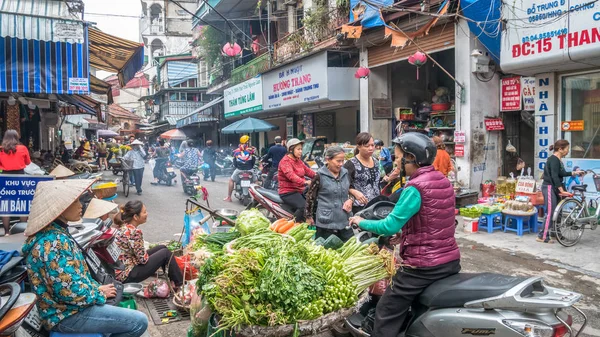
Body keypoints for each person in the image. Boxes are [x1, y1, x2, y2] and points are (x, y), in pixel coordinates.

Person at [348, 133, 461, 336]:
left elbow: (390, 225)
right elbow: (436, 221)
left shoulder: (415, 187)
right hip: (449, 260)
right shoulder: (442, 181)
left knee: (386, 309)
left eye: (400, 158)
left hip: (423, 267)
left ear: (413, 158)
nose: (397, 163)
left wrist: (361, 221)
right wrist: (406, 234)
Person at [21, 179, 148, 336]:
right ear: (61, 208)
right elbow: (67, 291)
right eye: (76, 202)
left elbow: (71, 279)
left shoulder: (56, 234)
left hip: (68, 308)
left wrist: (95, 288)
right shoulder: (53, 243)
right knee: (139, 322)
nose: (81, 206)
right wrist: (99, 293)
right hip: (65, 316)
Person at [113, 201, 183, 289]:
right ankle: (180, 284)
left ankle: (173, 280)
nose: (147, 214)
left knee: (162, 248)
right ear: (135, 217)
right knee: (165, 253)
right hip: (127, 274)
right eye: (144, 212)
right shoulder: (134, 232)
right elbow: (143, 259)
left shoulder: (124, 226)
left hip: (125, 266)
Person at [539, 140, 584, 243]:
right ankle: (542, 236)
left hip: (555, 188)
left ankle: (556, 234)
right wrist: (561, 190)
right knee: (550, 212)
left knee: (558, 213)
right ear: (560, 149)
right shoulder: (553, 159)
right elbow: (554, 176)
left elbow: (562, 173)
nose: (568, 151)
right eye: (567, 149)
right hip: (549, 187)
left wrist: (574, 173)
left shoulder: (558, 160)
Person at [305, 146, 354, 242]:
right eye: (338, 161)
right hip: (326, 222)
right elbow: (310, 197)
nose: (341, 164)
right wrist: (308, 216)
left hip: (345, 220)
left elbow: (351, 190)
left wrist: (351, 200)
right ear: (328, 160)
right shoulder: (319, 175)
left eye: (342, 161)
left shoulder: (346, 173)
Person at [0, 130, 31, 235]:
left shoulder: (1, 150)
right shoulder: (23, 148)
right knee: (22, 202)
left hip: (5, 178)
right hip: (20, 177)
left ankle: (6, 232)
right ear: (17, 137)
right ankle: (23, 230)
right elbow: (28, 162)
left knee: (5, 204)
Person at [278, 138, 316, 221]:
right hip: (288, 192)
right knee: (304, 207)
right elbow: (291, 176)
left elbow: (308, 171)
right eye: (298, 149)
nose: (300, 151)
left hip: (300, 190)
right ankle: (293, 226)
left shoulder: (298, 160)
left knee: (314, 204)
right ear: (291, 150)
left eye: (301, 149)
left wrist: (319, 176)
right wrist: (305, 182)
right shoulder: (285, 161)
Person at [344, 133, 380, 214]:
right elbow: (342, 184)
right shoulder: (351, 164)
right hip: (359, 207)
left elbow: (381, 179)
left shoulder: (376, 161)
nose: (371, 148)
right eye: (367, 146)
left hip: (376, 205)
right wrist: (354, 192)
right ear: (359, 147)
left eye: (372, 145)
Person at [224, 135, 257, 202]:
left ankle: (229, 197)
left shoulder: (236, 151)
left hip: (239, 170)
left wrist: (237, 167)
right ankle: (257, 199)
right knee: (256, 181)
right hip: (250, 169)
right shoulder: (251, 150)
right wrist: (250, 167)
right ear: (247, 142)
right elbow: (253, 161)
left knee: (231, 180)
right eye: (249, 141)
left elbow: (234, 162)